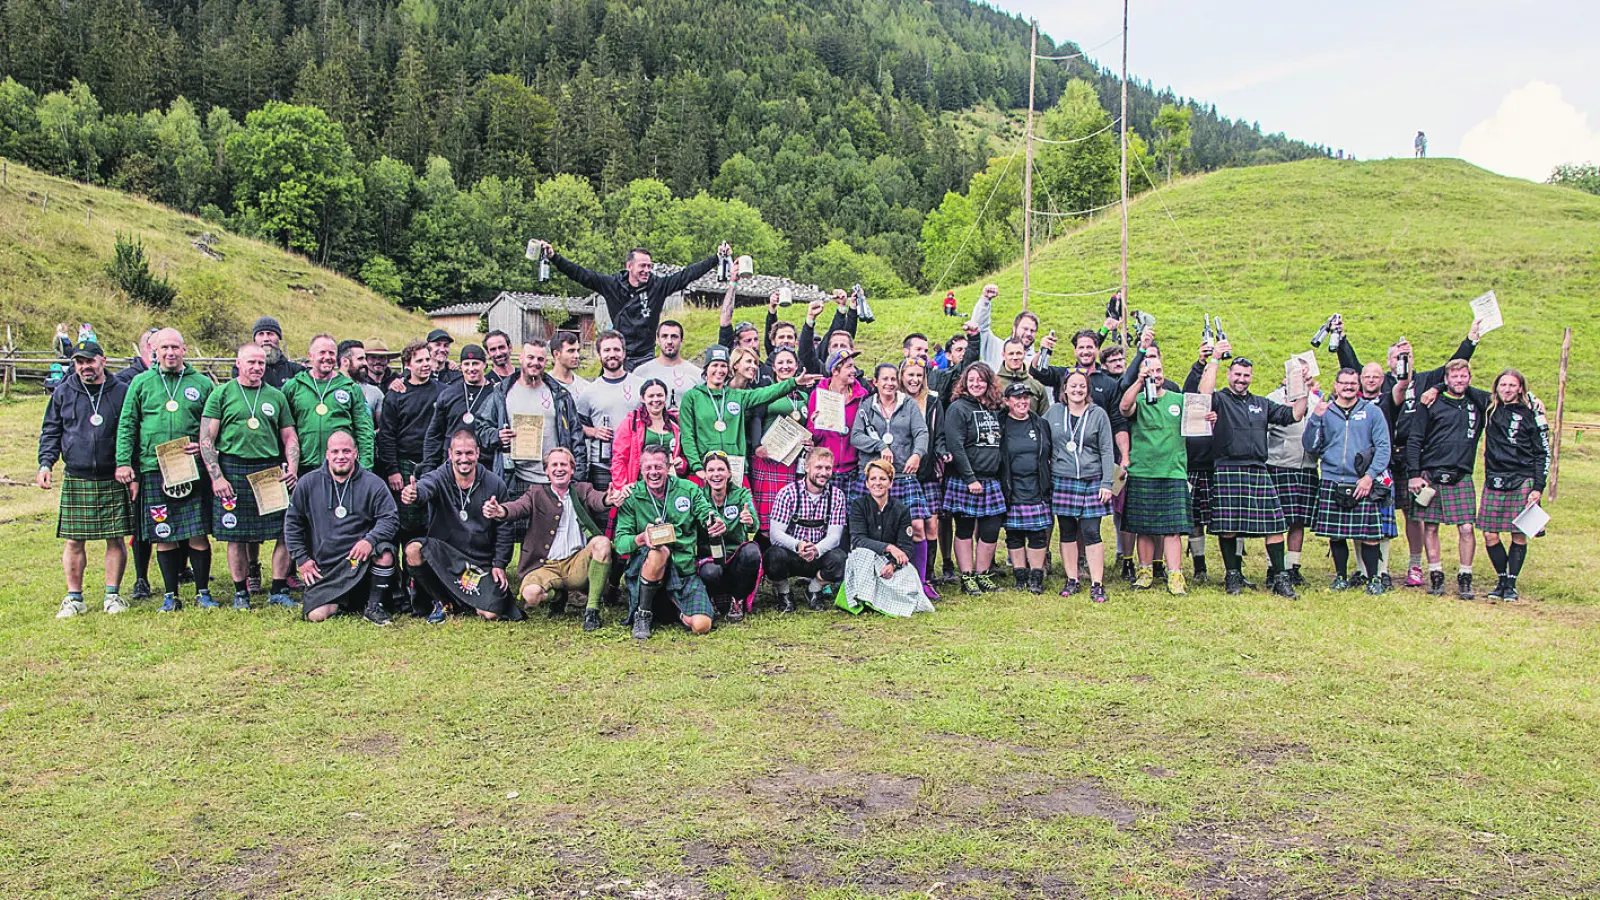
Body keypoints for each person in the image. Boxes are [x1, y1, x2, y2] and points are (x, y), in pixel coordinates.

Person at [1332, 320, 1482, 588]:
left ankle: (1416, 564)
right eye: (1396, 357)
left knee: (1415, 514)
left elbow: (1455, 367)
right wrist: (1341, 341)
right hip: (1382, 457)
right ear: (1389, 361)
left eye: (1406, 356)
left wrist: (1470, 340)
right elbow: (1355, 369)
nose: (1401, 360)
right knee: (1376, 511)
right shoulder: (1385, 383)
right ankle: (1371, 567)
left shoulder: (1426, 380)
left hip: (1414, 457)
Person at [114, 327, 217, 611]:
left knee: (197, 531)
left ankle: (203, 592)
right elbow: (127, 424)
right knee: (163, 532)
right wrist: (124, 461)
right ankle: (171, 595)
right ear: (154, 351)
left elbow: (214, 424)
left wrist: (205, 444)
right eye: (164, 348)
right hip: (153, 467)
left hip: (191, 467)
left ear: (184, 349)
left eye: (175, 347)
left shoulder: (202, 383)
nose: (170, 353)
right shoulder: (141, 383)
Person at [1199, 343, 1309, 598]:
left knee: (1274, 526)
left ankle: (1281, 578)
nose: (1241, 379)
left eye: (1246, 375)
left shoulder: (1263, 403)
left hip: (1258, 470)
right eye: (1237, 374)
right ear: (1229, 375)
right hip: (1228, 467)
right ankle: (1233, 576)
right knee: (1228, 526)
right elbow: (1204, 394)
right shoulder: (1221, 399)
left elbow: (1295, 413)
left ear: (1251, 377)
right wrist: (1214, 359)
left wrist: (1302, 387)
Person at [37, 339, 134, 617]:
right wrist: (46, 463)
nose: (85, 367)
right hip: (77, 475)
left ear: (103, 360)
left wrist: (129, 467)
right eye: (79, 362)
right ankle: (74, 598)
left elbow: (130, 432)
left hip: (112, 475)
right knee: (74, 540)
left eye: (90, 361)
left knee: (115, 538)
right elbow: (51, 430)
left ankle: (112, 596)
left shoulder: (121, 392)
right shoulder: (64, 392)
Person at [199, 342, 299, 610]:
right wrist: (217, 477)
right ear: (239, 363)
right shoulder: (221, 394)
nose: (257, 368)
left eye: (261, 363)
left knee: (284, 532)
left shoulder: (276, 396)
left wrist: (292, 466)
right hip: (233, 468)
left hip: (269, 470)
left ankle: (278, 589)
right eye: (251, 362)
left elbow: (289, 435)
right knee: (236, 535)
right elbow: (206, 438)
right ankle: (240, 592)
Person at [531, 239, 729, 370]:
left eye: (649, 266)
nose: (647, 270)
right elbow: (581, 274)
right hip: (619, 354)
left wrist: (715, 258)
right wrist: (554, 258)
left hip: (647, 356)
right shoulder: (611, 285)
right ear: (629, 266)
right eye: (642, 266)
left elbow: (687, 275)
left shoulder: (658, 286)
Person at [492, 445, 619, 631]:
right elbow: (517, 508)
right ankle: (559, 597)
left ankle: (592, 609)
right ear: (546, 471)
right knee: (531, 595)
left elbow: (597, 500)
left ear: (572, 469)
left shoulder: (583, 489)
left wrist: (608, 498)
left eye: (564, 465)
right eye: (554, 465)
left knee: (602, 543)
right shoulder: (535, 493)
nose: (559, 469)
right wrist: (500, 510)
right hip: (545, 566)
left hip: (576, 564)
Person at [399, 431, 515, 623]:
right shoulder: (439, 476)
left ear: (477, 453)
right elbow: (426, 487)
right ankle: (442, 601)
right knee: (413, 550)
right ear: (450, 453)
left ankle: (462, 600)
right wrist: (415, 493)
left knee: (491, 613)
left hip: (478, 560)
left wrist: (499, 564)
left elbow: (505, 529)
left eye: (469, 453)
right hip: (444, 557)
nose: (464, 459)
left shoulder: (495, 484)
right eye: (459, 453)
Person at [284, 431, 398, 625]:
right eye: (335, 451)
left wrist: (369, 541)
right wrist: (302, 559)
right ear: (327, 454)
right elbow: (292, 524)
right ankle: (345, 600)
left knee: (384, 552)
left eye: (346, 451)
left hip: (361, 564)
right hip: (326, 568)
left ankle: (374, 606)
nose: (340, 456)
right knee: (316, 616)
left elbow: (390, 519)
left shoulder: (374, 483)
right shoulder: (308, 483)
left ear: (355, 453)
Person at [612, 444, 725, 639]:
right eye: (648, 468)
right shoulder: (632, 496)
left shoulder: (688, 489)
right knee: (659, 551)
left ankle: (672, 609)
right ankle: (643, 614)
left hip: (683, 570)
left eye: (658, 467)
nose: (653, 472)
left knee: (702, 625)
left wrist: (714, 520)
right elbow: (620, 543)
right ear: (641, 469)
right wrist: (641, 538)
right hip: (648, 569)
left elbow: (705, 511)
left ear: (668, 467)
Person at [1301, 368, 1391, 594]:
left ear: (1358, 386)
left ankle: (1373, 580)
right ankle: (1340, 577)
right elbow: (1310, 446)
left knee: (1370, 536)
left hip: (1362, 481)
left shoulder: (1372, 412)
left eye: (1352, 383)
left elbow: (1383, 447)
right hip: (1332, 479)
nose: (1348, 387)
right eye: (1344, 383)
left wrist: (1369, 476)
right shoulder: (1325, 411)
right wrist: (1315, 418)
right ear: (1336, 385)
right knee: (1336, 534)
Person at [1406, 360, 1491, 598]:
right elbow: (1415, 439)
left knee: (1466, 527)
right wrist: (1414, 474)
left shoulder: (1478, 402)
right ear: (1446, 378)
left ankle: (1465, 577)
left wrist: (1439, 386)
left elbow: (1501, 397)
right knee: (1431, 527)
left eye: (1464, 376)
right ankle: (1436, 575)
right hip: (1431, 474)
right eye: (1454, 377)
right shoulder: (1430, 403)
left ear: (1470, 378)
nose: (1459, 381)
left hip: (1460, 474)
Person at [851, 362, 935, 599]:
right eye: (884, 379)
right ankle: (871, 581)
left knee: (918, 528)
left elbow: (921, 432)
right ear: (875, 382)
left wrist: (918, 454)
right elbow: (856, 436)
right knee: (870, 531)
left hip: (903, 475)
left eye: (892, 379)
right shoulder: (866, 407)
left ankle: (919, 582)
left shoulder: (908, 405)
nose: (889, 383)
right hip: (874, 477)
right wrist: (879, 446)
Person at [679, 345, 815, 484]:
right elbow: (687, 436)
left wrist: (794, 382)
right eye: (715, 365)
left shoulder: (738, 395)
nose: (719, 370)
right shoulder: (692, 397)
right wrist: (697, 467)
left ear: (728, 368)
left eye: (723, 366)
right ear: (706, 368)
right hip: (705, 470)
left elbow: (767, 393)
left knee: (745, 506)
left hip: (735, 469)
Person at [475, 338, 588, 498]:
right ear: (521, 358)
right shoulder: (502, 392)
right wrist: (497, 436)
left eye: (540, 359)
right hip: (516, 480)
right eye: (530, 357)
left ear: (546, 362)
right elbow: (480, 429)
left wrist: (577, 478)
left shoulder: (559, 395)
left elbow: (577, 437)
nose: (535, 363)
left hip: (554, 480)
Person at [1477, 370, 1549, 602]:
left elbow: (1542, 453)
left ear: (1520, 388)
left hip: (1523, 478)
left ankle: (1511, 583)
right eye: (1503, 384)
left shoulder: (1532, 414)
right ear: (1496, 387)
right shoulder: (1490, 409)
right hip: (1495, 477)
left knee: (1519, 534)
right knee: (1489, 533)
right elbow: (1460, 386)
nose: (1507, 389)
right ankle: (1500, 579)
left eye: (1512, 385)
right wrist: (1435, 389)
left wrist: (1538, 487)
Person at [1046, 368, 1116, 601]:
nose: (1077, 390)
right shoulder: (1054, 412)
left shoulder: (1098, 414)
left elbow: (1107, 450)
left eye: (1082, 386)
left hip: (1092, 480)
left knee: (1090, 531)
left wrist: (1107, 482)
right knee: (1066, 530)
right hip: (1062, 479)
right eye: (1073, 385)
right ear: (1064, 389)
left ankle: (1097, 582)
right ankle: (1072, 578)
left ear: (1087, 390)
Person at [943, 362, 1007, 594]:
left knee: (990, 529)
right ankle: (967, 576)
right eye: (971, 380)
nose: (976, 384)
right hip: (967, 479)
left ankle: (983, 574)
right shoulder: (958, 408)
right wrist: (970, 478)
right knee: (964, 528)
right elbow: (956, 446)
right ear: (964, 383)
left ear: (988, 383)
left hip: (991, 479)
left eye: (980, 380)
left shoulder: (993, 408)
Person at [378, 340, 442, 569]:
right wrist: (393, 470)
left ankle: (427, 575)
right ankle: (403, 578)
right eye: (420, 360)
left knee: (432, 520)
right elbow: (386, 436)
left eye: (428, 359)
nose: (426, 364)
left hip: (434, 465)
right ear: (407, 364)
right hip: (405, 465)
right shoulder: (395, 395)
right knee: (404, 523)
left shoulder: (442, 391)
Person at [840, 459, 933, 616]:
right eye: (873, 479)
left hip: (888, 561)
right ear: (867, 484)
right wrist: (889, 547)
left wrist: (893, 566)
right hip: (863, 560)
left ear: (890, 483)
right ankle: (863, 600)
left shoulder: (902, 510)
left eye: (883, 479)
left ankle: (884, 602)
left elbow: (906, 547)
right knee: (863, 554)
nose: (878, 483)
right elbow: (857, 540)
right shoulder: (858, 506)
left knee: (910, 576)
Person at [765, 448, 849, 611]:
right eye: (819, 467)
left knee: (840, 558)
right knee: (773, 556)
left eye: (828, 468)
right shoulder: (788, 493)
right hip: (792, 553)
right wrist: (798, 545)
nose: (823, 473)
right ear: (807, 467)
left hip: (818, 554)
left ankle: (814, 589)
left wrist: (816, 549)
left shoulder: (837, 496)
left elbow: (835, 536)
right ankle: (784, 592)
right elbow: (775, 535)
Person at [283, 333, 376, 470]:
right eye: (322, 352)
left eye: (331, 353)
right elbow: (284, 429)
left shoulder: (350, 388)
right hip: (305, 466)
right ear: (310, 355)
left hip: (341, 466)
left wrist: (365, 468)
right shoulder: (293, 387)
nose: (327, 357)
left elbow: (365, 431)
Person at [1266, 372, 1323, 588]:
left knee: (1298, 521)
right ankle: (1274, 568)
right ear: (1286, 377)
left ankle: (1293, 568)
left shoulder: (1316, 401)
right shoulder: (1273, 399)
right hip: (1279, 465)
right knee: (1277, 522)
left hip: (1307, 467)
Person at [998, 382, 1053, 594]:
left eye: (1025, 398)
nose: (1023, 402)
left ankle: (1036, 576)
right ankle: (1020, 576)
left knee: (1038, 533)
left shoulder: (1039, 423)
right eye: (1017, 398)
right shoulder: (1001, 423)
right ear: (1007, 402)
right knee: (1014, 533)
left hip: (1036, 485)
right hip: (1012, 486)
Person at [695, 451, 763, 623]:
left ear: (729, 473)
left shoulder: (741, 494)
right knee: (711, 571)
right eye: (711, 470)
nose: (716, 474)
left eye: (720, 469)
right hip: (709, 558)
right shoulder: (698, 496)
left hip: (734, 558)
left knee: (752, 551)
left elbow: (754, 524)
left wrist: (749, 521)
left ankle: (737, 600)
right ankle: (713, 600)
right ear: (705, 474)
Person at [899, 359, 950, 591]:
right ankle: (906, 573)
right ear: (902, 376)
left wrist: (942, 452)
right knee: (909, 525)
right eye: (910, 374)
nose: (915, 379)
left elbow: (938, 434)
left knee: (931, 524)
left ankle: (928, 577)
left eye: (919, 375)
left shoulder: (933, 400)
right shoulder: (895, 400)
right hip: (903, 473)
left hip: (927, 472)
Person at [574, 330, 645, 493]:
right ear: (599, 354)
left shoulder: (641, 386)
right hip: (602, 467)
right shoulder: (588, 392)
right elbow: (577, 427)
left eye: (616, 349)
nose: (612, 354)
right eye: (606, 350)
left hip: (636, 464)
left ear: (624, 353)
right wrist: (594, 431)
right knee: (604, 514)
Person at [746, 348, 808, 530]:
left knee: (788, 512)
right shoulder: (767, 391)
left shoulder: (803, 396)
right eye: (780, 363)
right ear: (773, 367)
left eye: (789, 362)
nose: (785, 366)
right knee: (767, 516)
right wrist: (757, 446)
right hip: (768, 457)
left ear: (796, 366)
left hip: (791, 460)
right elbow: (757, 417)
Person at [807, 349, 869, 501]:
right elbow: (811, 435)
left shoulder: (861, 396)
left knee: (849, 517)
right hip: (827, 468)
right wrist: (816, 424)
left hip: (852, 469)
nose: (854, 371)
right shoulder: (819, 394)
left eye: (853, 366)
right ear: (835, 370)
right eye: (849, 367)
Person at [423, 344, 492, 471]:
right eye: (467, 364)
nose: (471, 369)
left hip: (486, 464)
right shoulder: (448, 394)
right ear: (461, 367)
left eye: (475, 363)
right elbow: (434, 434)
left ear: (485, 365)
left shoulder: (495, 394)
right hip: (453, 464)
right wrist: (428, 467)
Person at [611, 379, 688, 490]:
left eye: (659, 395)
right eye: (651, 396)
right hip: (640, 486)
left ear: (666, 397)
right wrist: (621, 488)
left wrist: (682, 464)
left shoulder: (676, 421)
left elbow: (685, 454)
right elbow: (619, 459)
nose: (656, 399)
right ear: (643, 398)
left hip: (670, 486)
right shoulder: (632, 422)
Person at [632, 320, 703, 409]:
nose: (669, 341)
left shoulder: (697, 374)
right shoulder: (640, 373)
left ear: (681, 340)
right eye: (664, 336)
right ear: (657, 340)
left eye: (674, 337)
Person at [968, 283, 1040, 369]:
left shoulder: (1035, 361)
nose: (1028, 333)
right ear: (1014, 328)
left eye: (1033, 331)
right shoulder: (995, 348)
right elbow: (980, 327)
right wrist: (985, 301)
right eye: (1025, 329)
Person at [236, 316, 306, 388]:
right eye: (261, 334)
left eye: (270, 334)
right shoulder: (242, 370)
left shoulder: (296, 371)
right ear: (254, 339)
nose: (266, 339)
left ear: (279, 338)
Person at [339, 341, 384, 419]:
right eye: (360, 359)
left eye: (365, 359)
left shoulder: (375, 392)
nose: (365, 363)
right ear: (344, 361)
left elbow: (384, 427)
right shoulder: (328, 389)